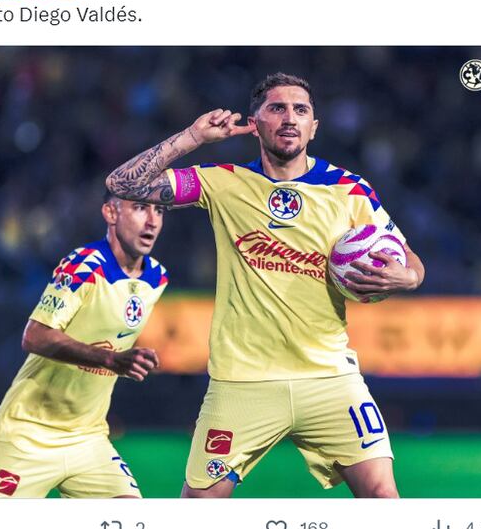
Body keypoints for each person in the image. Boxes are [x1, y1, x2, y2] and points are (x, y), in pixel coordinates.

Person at [106, 72, 425, 498]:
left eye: (301, 110)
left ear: (314, 126)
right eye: (277, 108)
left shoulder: (349, 189)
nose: (290, 118)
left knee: (383, 497)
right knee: (197, 506)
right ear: (254, 124)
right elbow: (122, 184)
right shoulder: (223, 182)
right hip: (241, 382)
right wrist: (192, 137)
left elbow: (411, 259)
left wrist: (409, 276)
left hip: (329, 377)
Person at [0, 194, 168, 498]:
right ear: (110, 212)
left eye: (159, 210)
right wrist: (110, 360)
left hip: (88, 438)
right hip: (27, 436)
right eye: (140, 208)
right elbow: (35, 336)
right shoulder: (84, 265)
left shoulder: (157, 278)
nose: (152, 221)